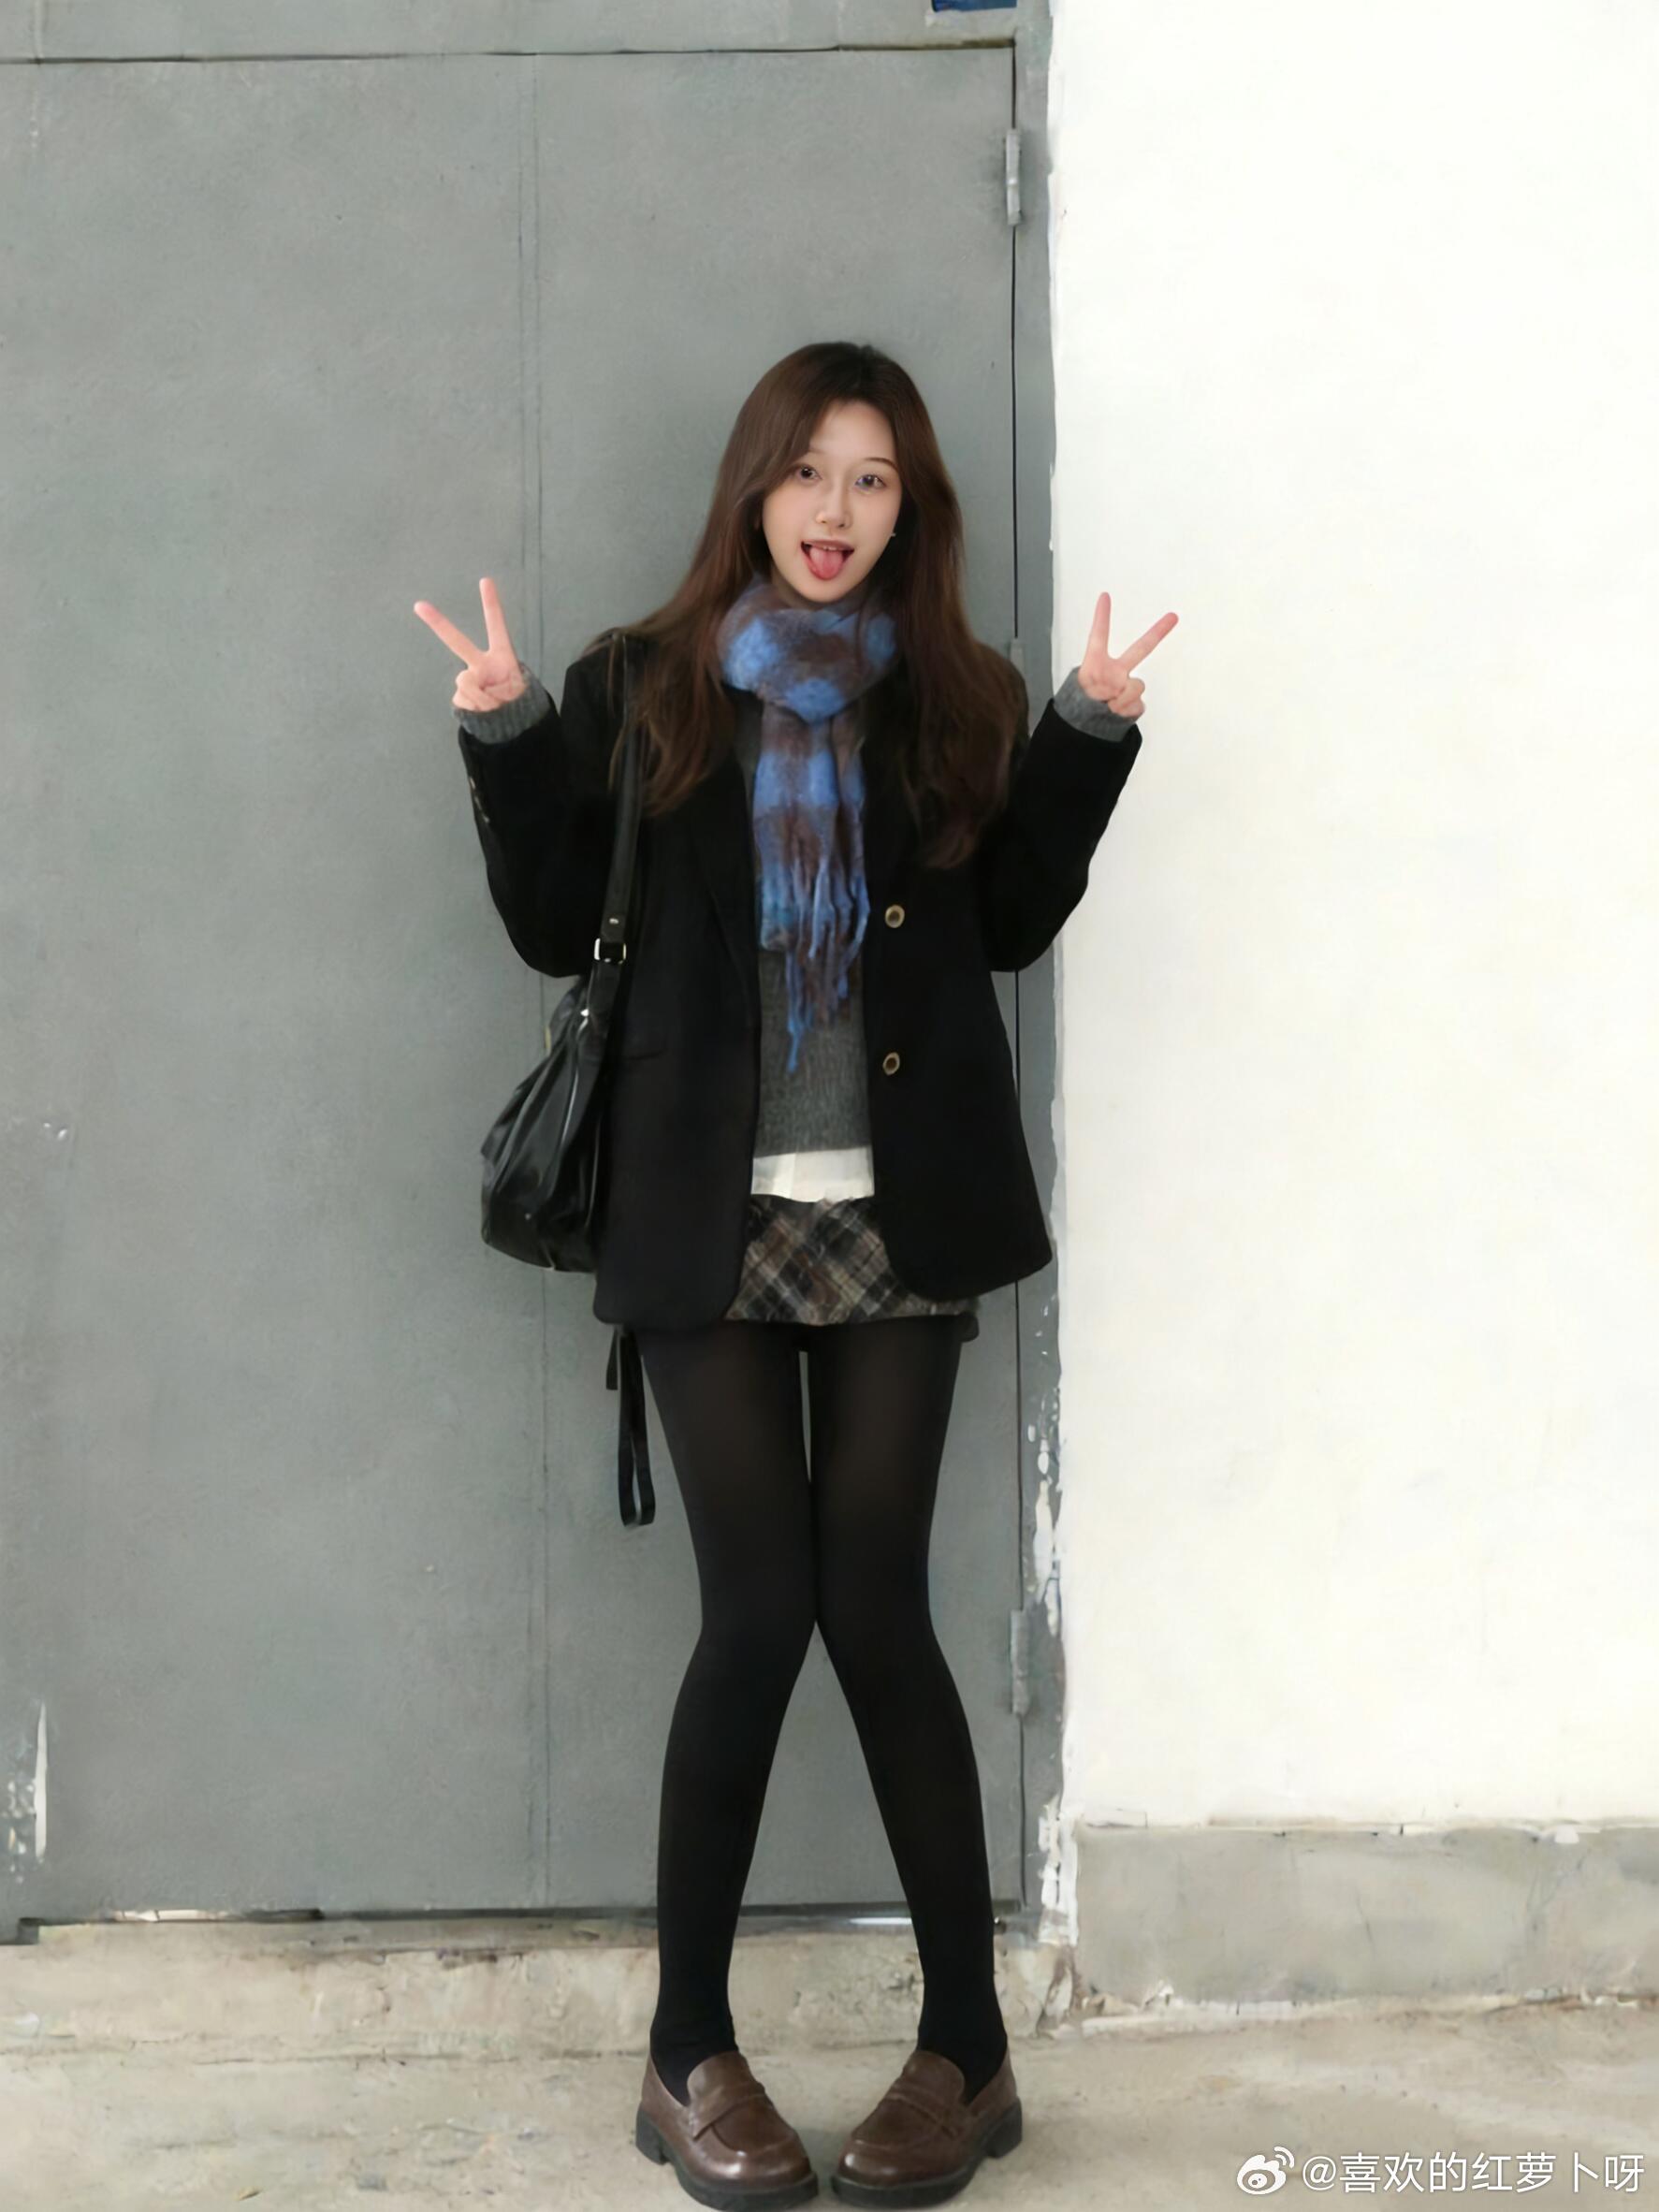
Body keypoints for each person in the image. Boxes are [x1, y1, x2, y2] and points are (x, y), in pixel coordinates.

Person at [415, 341, 1175, 2208]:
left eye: (872, 481)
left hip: (901, 1216)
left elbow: (1008, 926)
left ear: (907, 510)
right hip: (708, 1211)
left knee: (881, 1616)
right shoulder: (640, 686)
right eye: (809, 473)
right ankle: (686, 2050)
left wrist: (1081, 739)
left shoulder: (952, 696)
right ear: (752, 486)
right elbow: (551, 925)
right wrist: (506, 736)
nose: (835, 513)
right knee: (754, 1620)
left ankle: (965, 2052)